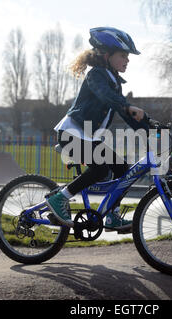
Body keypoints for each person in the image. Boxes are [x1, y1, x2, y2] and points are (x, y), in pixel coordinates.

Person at [46, 27, 148, 232]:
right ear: (107, 55)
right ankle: (60, 198)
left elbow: (124, 110)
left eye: (128, 57)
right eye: (123, 55)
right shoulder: (97, 75)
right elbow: (106, 97)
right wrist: (128, 106)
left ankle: (111, 214)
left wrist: (150, 126)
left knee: (122, 168)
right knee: (101, 168)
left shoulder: (113, 81)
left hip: (87, 138)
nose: (127, 60)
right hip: (71, 134)